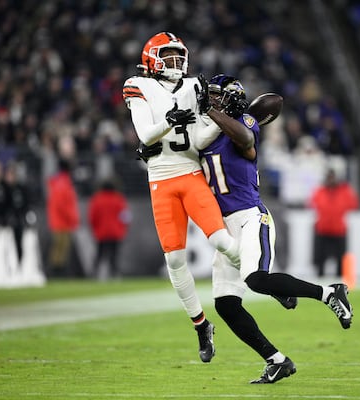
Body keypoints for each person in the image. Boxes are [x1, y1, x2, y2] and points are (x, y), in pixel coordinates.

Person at [194, 74, 354, 383]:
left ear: (230, 99)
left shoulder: (244, 123)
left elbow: (246, 140)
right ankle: (276, 360)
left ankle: (329, 292)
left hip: (251, 217)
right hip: (222, 227)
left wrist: (214, 111)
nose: (210, 100)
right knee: (226, 304)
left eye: (216, 96)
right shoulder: (205, 131)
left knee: (256, 279)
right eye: (208, 96)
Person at [122, 32, 241, 363]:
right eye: (167, 56)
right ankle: (201, 326)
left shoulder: (193, 87)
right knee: (174, 260)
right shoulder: (138, 85)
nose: (175, 62)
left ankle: (264, 280)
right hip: (160, 180)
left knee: (221, 240)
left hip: (190, 174)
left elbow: (201, 139)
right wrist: (168, 121)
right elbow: (146, 133)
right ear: (150, 59)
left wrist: (220, 121)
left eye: (178, 56)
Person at [308, 168, 360, 277]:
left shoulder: (344, 191)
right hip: (323, 228)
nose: (331, 180)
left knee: (340, 256)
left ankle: (340, 277)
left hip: (338, 229)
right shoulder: (320, 191)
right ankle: (320, 276)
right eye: (329, 178)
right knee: (320, 256)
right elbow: (312, 203)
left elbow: (353, 204)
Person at [87, 179, 130, 279]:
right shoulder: (119, 199)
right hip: (116, 232)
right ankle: (114, 275)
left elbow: (92, 217)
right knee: (114, 255)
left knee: (99, 254)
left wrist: (94, 230)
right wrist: (123, 229)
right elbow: (125, 217)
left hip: (101, 233)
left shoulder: (97, 199)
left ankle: (94, 274)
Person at [46, 159, 80, 277]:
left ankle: (56, 272)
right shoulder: (63, 183)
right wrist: (72, 218)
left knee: (60, 248)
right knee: (60, 248)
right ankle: (56, 273)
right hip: (62, 222)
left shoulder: (59, 182)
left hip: (59, 221)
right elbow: (63, 205)